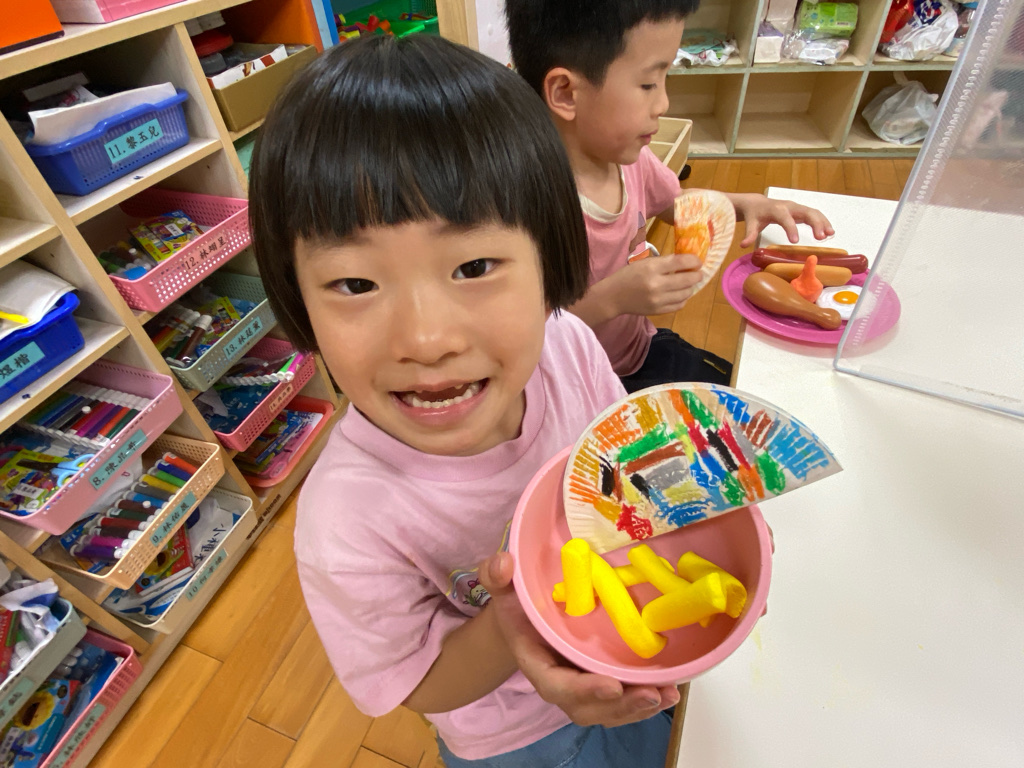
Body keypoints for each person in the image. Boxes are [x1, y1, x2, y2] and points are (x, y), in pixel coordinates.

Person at [249, 34, 681, 768]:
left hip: (637, 647)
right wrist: (516, 624)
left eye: (475, 265)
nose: (426, 339)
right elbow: (418, 683)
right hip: (517, 737)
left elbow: (629, 459)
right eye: (355, 284)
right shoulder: (346, 518)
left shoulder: (568, 346)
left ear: (548, 258)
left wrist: (703, 514)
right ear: (298, 300)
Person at [505, 0, 836, 392]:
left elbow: (675, 205)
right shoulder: (525, 206)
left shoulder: (628, 157)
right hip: (571, 384)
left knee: (746, 389)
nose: (664, 103)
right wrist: (612, 299)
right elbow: (524, 333)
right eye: (648, 84)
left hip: (640, 352)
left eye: (666, 79)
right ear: (565, 92)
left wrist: (744, 203)